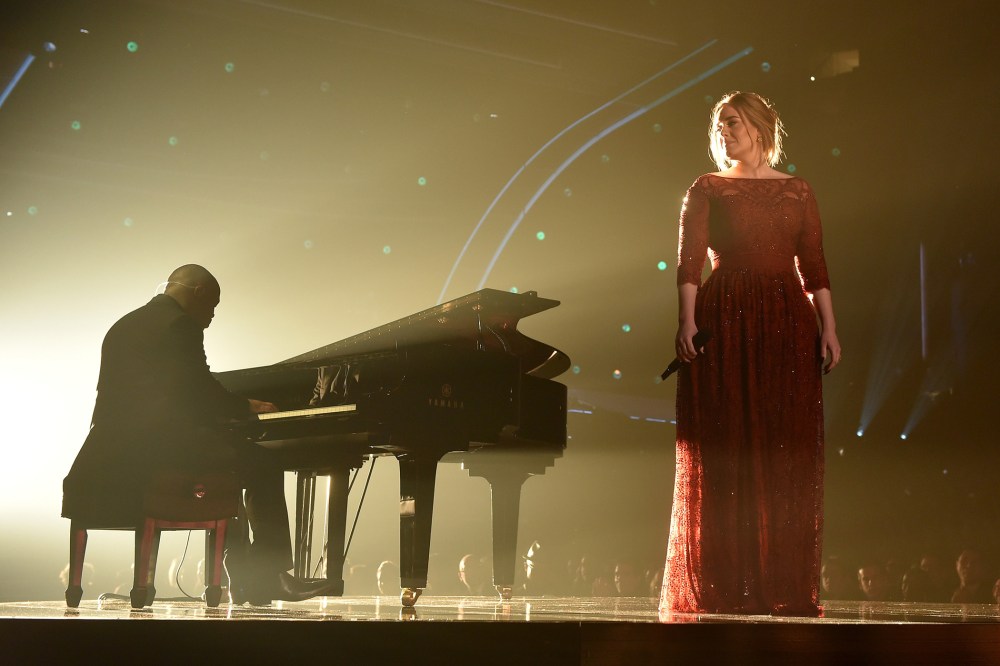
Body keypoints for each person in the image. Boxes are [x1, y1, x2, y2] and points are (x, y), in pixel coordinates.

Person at [659, 92, 841, 617]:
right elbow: (689, 262)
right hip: (727, 316)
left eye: (732, 123)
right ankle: (723, 582)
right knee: (725, 447)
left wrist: (829, 327)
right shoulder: (707, 188)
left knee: (783, 450)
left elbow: (816, 266)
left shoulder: (798, 190)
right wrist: (687, 320)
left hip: (786, 321)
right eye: (719, 126)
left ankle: (778, 583)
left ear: (759, 127)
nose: (723, 133)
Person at [62, 264, 331, 604]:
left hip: (107, 449)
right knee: (262, 463)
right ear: (198, 292)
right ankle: (266, 577)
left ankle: (246, 577)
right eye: (213, 306)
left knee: (228, 468)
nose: (212, 316)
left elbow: (158, 392)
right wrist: (248, 405)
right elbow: (197, 390)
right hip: (157, 449)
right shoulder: (180, 325)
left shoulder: (124, 324)